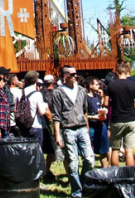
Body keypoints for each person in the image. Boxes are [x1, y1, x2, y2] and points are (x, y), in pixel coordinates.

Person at [50, 66, 95, 198]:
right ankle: (77, 192)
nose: (76, 76)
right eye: (73, 74)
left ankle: (83, 183)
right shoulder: (58, 92)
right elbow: (56, 115)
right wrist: (57, 134)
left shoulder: (81, 90)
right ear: (65, 76)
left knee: (89, 159)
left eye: (76, 74)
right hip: (68, 130)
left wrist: (87, 128)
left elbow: (85, 110)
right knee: (73, 163)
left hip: (81, 128)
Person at [103, 62, 135, 167]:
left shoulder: (111, 85)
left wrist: (112, 103)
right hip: (130, 119)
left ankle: (115, 173)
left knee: (115, 149)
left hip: (116, 119)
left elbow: (105, 103)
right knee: (129, 150)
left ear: (116, 73)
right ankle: (130, 174)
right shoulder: (134, 85)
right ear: (128, 72)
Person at [85, 77, 110, 168]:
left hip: (101, 125)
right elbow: (84, 114)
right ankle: (89, 169)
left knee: (103, 149)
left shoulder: (97, 96)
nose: (98, 86)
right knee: (90, 150)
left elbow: (99, 108)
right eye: (96, 84)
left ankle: (105, 168)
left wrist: (104, 111)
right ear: (90, 85)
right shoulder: (86, 97)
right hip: (91, 126)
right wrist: (92, 117)